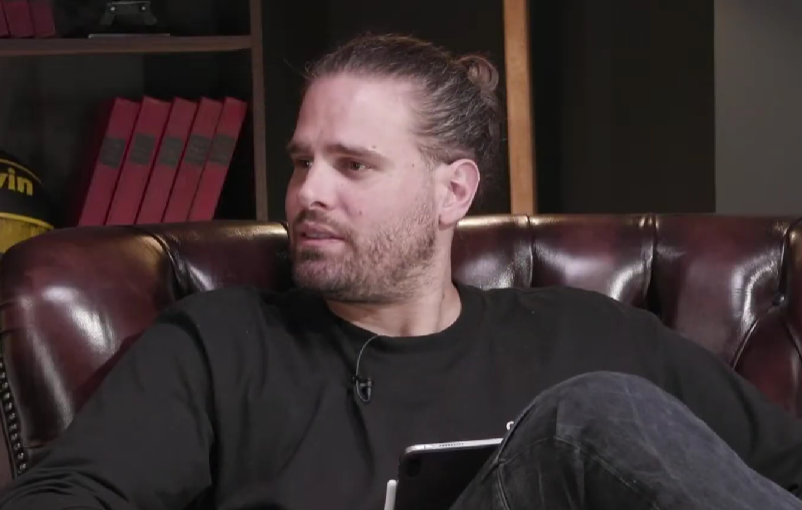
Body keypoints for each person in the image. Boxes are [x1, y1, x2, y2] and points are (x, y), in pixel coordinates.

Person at [1, 33, 802, 510]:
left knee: (598, 409)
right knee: (590, 416)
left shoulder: (592, 335)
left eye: (352, 165)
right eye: (302, 162)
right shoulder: (221, 346)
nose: (307, 194)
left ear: (454, 191)